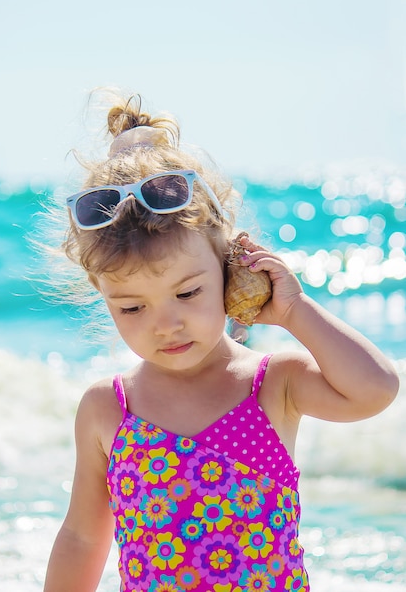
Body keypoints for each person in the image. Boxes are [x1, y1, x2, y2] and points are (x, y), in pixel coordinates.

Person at [43, 92, 399, 592]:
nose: (165, 324)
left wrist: (294, 312)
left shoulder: (274, 383)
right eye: (132, 307)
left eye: (188, 293)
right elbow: (82, 537)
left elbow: (375, 389)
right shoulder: (108, 408)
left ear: (228, 266)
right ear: (102, 295)